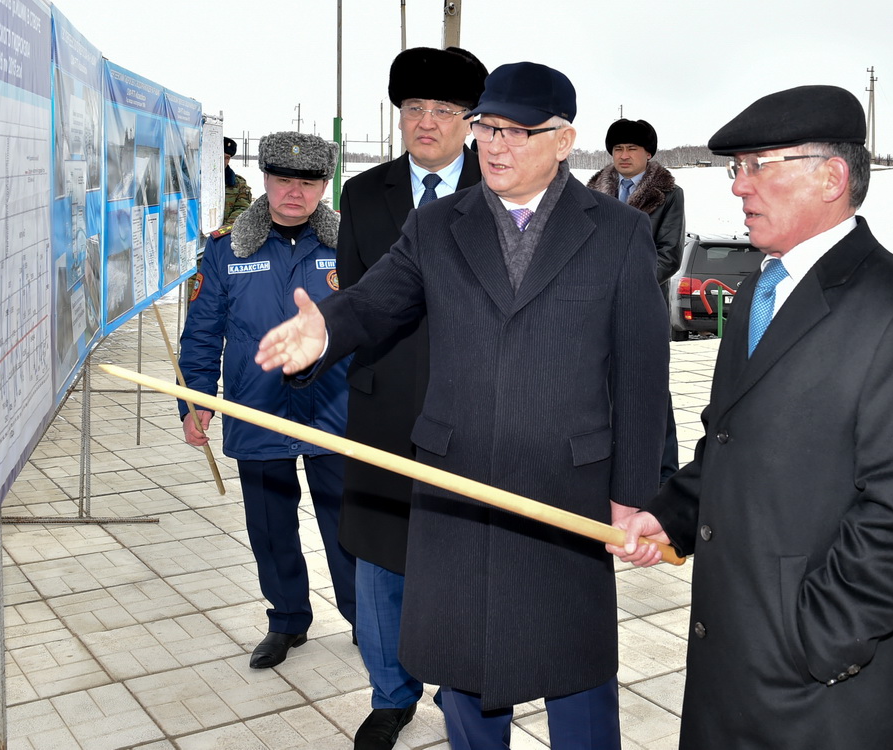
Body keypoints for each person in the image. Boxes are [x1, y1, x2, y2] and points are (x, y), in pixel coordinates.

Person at [256, 62, 668, 750]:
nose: (494, 146)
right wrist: (325, 328)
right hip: (457, 482)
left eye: (516, 131)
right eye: (485, 128)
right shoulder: (440, 223)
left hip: (564, 489)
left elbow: (642, 375)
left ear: (564, 140)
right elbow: (377, 298)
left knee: (576, 674)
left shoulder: (619, 233)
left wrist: (634, 495)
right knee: (467, 672)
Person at [613, 85, 893, 748]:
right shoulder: (756, 290)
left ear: (831, 176)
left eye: (757, 166)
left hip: (821, 696)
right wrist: (667, 513)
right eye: (735, 169)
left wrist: (812, 642)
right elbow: (728, 439)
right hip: (726, 672)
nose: (738, 189)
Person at [337, 46, 486, 750]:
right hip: (384, 401)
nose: (426, 123)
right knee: (381, 557)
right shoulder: (364, 195)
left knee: (466, 552)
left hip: (476, 406)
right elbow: (360, 302)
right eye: (413, 109)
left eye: (444, 111)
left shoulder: (505, 188)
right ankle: (390, 696)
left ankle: (465, 686)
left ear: (472, 121)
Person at [178, 131, 356, 671]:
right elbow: (203, 332)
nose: (294, 193)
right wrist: (195, 401)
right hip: (257, 407)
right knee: (270, 525)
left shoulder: (350, 244)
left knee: (347, 523)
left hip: (335, 409)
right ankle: (286, 620)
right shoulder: (226, 247)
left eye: (307, 182)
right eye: (283, 179)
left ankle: (363, 618)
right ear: (265, 180)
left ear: (325, 185)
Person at [587, 118, 684, 484]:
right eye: (617, 149)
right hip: (599, 308)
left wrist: (627, 285)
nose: (624, 156)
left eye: (632, 149)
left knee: (652, 389)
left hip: (645, 307)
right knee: (604, 387)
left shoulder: (669, 193)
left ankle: (664, 474)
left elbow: (669, 254)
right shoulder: (593, 190)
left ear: (648, 153)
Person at [223, 135, 253, 225]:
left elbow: (242, 208)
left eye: (227, 158)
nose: (223, 161)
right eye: (221, 156)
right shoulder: (196, 181)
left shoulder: (239, 184)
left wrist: (223, 231)